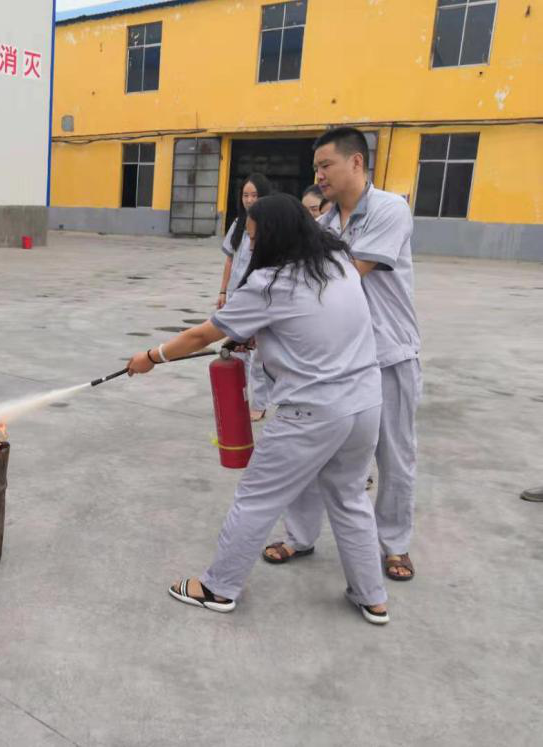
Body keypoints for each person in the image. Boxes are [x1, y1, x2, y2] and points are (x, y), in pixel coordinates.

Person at [128, 194, 389, 625]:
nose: (250, 246)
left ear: (275, 236)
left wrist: (151, 357)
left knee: (256, 499)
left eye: (254, 238)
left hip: (312, 411)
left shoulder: (271, 283)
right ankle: (372, 597)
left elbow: (202, 336)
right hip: (364, 403)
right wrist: (265, 335)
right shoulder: (337, 263)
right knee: (350, 498)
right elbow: (313, 325)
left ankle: (218, 588)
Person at [263, 127, 422, 582]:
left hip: (389, 354)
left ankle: (394, 545)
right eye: (316, 167)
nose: (319, 175)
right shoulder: (324, 224)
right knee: (312, 450)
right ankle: (300, 536)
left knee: (394, 454)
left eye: (325, 165)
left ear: (356, 162)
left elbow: (347, 274)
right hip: (336, 359)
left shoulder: (390, 209)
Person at [219, 173, 272, 420]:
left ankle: (260, 403)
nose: (249, 200)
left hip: (259, 297)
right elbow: (230, 260)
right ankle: (237, 397)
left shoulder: (270, 227)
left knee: (259, 354)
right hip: (236, 296)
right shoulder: (238, 224)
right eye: (245, 195)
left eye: (254, 195)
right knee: (237, 351)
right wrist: (223, 291)